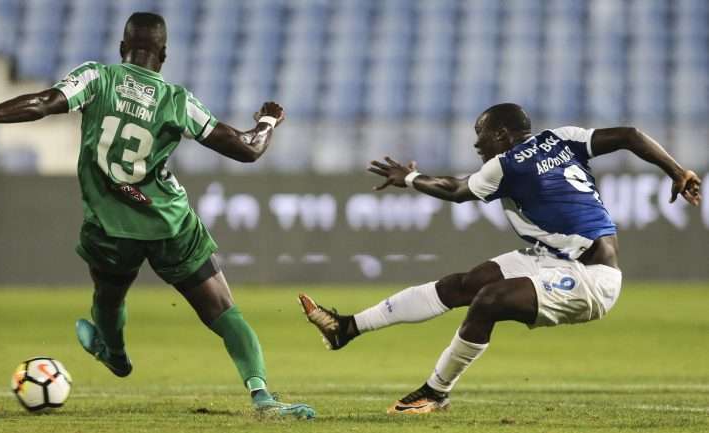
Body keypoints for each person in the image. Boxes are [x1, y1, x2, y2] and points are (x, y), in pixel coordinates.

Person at [0, 12, 314, 419]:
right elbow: (248, 149)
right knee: (223, 311)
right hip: (169, 222)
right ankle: (262, 397)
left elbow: (41, 104)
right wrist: (268, 120)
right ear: (164, 55)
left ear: (122, 48)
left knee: (109, 294)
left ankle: (114, 354)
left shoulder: (97, 78)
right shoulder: (177, 100)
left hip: (110, 224)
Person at [299, 102, 702, 414]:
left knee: (487, 300)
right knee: (464, 285)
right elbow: (630, 135)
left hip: (590, 278)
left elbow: (457, 190)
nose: (477, 146)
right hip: (553, 256)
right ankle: (348, 327)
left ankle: (435, 393)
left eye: (481, 137)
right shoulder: (563, 137)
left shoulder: (505, 165)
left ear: (503, 134)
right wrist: (677, 170)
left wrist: (408, 179)